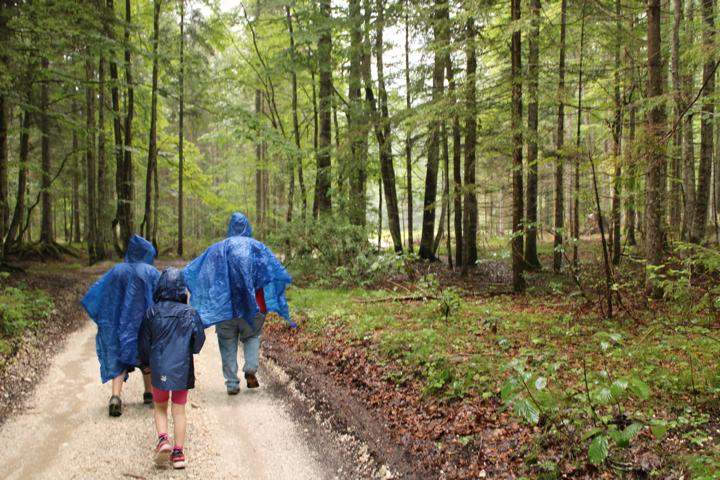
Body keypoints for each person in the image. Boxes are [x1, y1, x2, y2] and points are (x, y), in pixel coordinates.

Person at [184, 212, 294, 394]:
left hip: (225, 309)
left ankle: (232, 384)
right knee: (251, 337)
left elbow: (201, 273)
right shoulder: (258, 248)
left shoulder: (218, 250)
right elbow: (272, 272)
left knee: (227, 342)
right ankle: (250, 369)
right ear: (248, 227)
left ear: (230, 227)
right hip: (254, 306)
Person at [81, 234, 160, 417]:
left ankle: (115, 396)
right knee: (146, 359)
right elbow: (161, 295)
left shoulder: (117, 271)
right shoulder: (150, 272)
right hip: (145, 325)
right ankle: (149, 394)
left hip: (120, 325)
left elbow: (100, 294)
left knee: (120, 360)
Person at [138, 268, 205, 469]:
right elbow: (198, 342)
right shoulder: (191, 313)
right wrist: (188, 349)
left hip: (159, 369)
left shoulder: (151, 312)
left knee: (160, 407)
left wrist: (145, 365)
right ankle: (178, 453)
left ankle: (163, 439)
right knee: (179, 410)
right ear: (182, 289)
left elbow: (143, 342)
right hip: (182, 370)